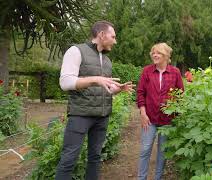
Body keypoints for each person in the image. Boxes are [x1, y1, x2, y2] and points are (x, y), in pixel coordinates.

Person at [55, 20, 134, 180]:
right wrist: (95, 79)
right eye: (113, 36)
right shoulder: (76, 51)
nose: (115, 41)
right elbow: (65, 82)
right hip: (80, 115)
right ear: (102, 35)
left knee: (95, 158)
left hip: (102, 116)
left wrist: (117, 90)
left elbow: (104, 88)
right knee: (69, 159)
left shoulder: (107, 61)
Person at [137, 43, 184, 180]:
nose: (155, 55)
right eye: (153, 53)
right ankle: (141, 178)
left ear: (166, 56)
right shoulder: (147, 71)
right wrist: (143, 113)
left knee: (163, 152)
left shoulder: (175, 72)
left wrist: (177, 117)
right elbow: (140, 93)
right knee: (145, 149)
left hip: (167, 121)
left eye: (158, 53)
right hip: (149, 119)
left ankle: (158, 177)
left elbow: (180, 95)